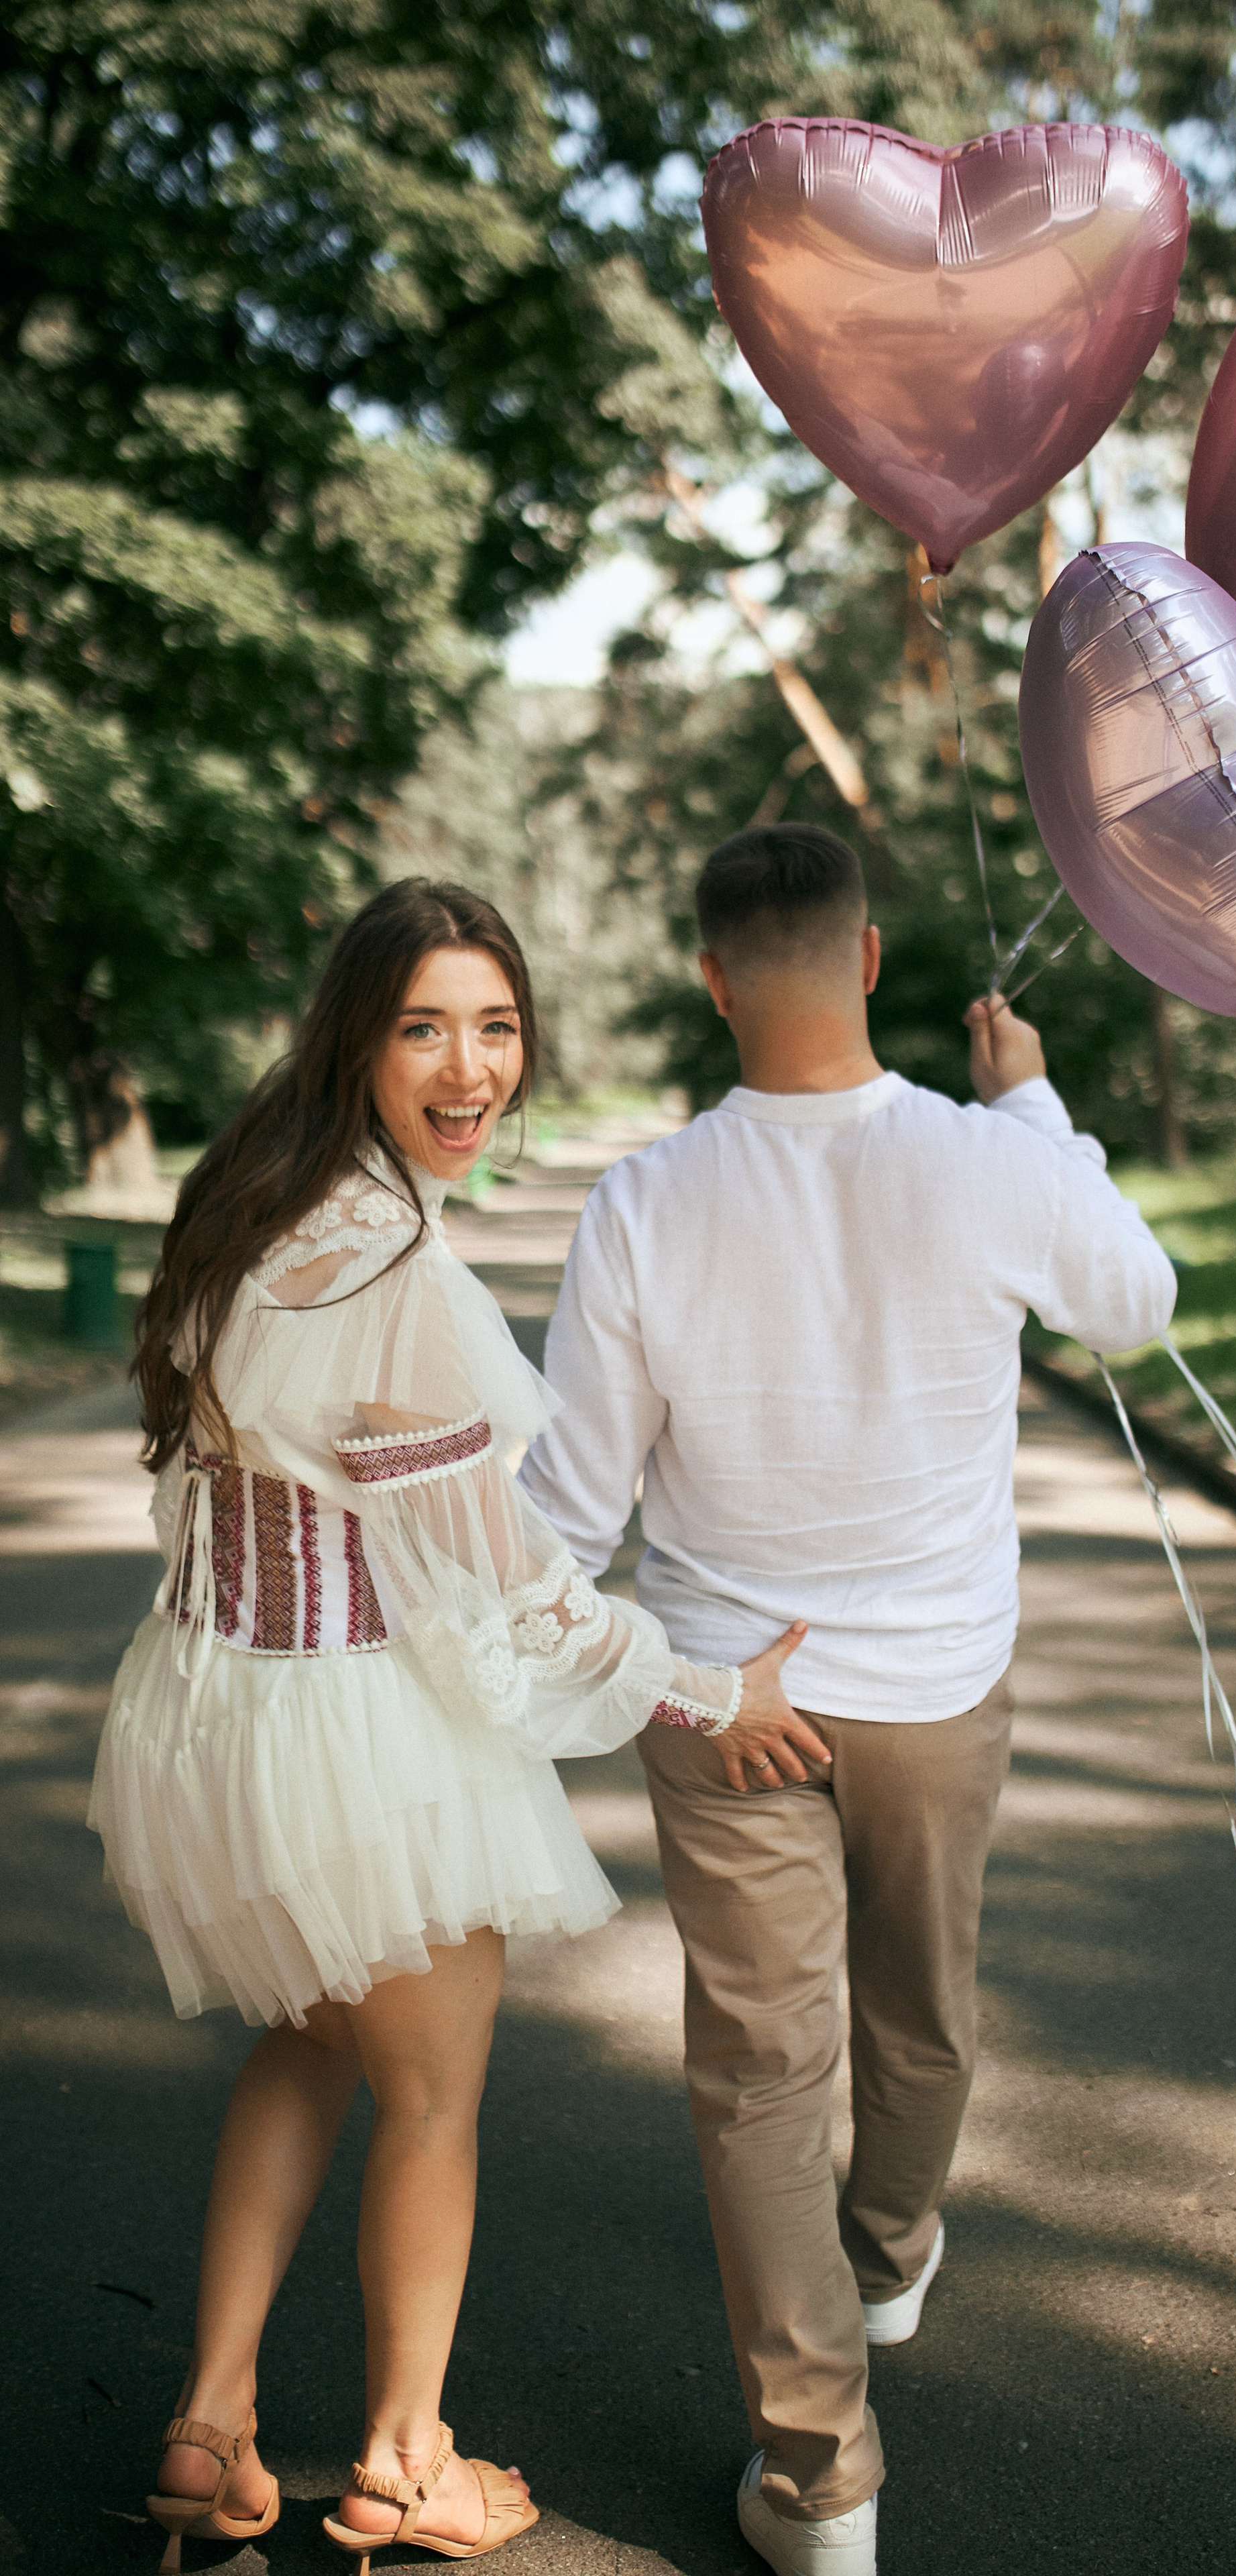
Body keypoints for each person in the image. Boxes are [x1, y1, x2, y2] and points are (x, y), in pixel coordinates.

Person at [91, 879, 806, 2575]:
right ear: (358, 1036)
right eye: (425, 1026)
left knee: (308, 2038)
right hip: (343, 1728)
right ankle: (406, 2465)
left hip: (209, 1708)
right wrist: (714, 1690)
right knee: (427, 2096)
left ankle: (212, 2427)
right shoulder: (396, 1267)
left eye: (496, 1027)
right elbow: (516, 1592)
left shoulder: (249, 1199)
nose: (469, 1066)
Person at [519, 823, 1177, 2576]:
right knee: (923, 2006)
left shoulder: (645, 1203)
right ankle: (885, 2264)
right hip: (935, 1688)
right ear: (871, 958)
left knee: (756, 2073)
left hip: (724, 1698)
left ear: (714, 979)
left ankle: (821, 2488)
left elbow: (571, 1515)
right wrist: (1036, 1111)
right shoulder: (988, 1160)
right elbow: (1139, 1300)